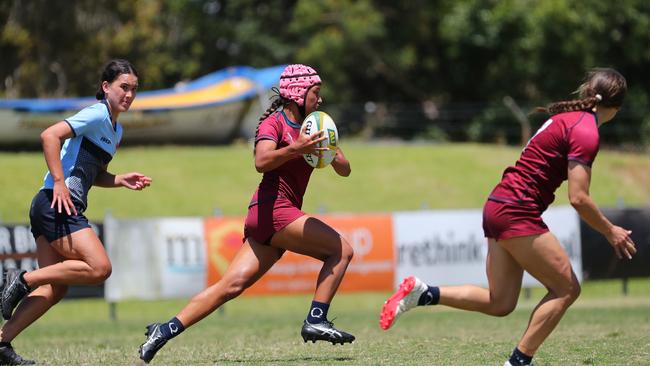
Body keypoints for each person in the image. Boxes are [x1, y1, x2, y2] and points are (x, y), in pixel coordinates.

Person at [379, 68, 636, 366]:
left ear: (586, 91)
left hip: (499, 204)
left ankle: (424, 293)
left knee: (500, 302)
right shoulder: (587, 131)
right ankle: (518, 362)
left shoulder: (565, 119)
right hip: (517, 211)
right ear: (616, 108)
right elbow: (578, 198)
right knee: (566, 288)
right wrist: (610, 230)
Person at [138, 64, 354, 364]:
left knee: (229, 287)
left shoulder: (313, 127)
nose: (320, 100)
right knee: (341, 250)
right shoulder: (274, 125)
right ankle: (316, 319)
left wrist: (330, 151)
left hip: (268, 216)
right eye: (315, 94)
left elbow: (345, 170)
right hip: (275, 209)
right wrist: (297, 148)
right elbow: (261, 161)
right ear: (297, 94)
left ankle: (163, 330)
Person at [0, 59, 151, 365]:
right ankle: (23, 278)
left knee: (55, 289)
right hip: (55, 204)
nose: (129, 94)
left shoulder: (115, 129)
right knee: (99, 268)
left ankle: (1, 343)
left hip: (50, 206)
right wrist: (57, 181)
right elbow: (49, 136)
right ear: (105, 87)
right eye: (124, 87)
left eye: (134, 89)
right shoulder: (97, 113)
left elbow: (92, 173)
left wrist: (119, 179)